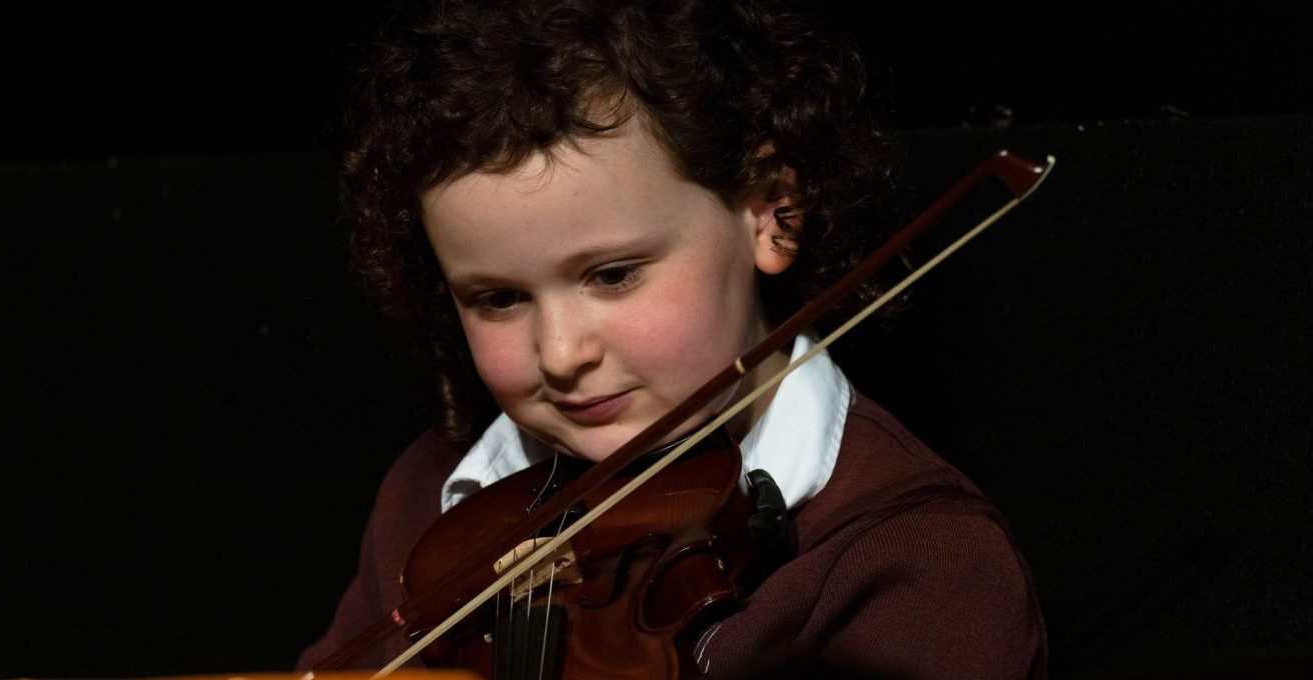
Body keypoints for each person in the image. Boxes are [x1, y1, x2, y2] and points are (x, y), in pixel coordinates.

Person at [300, 0, 1047, 677]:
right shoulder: (427, 505)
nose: (560, 354)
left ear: (771, 212)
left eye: (613, 275)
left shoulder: (918, 565)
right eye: (498, 298)